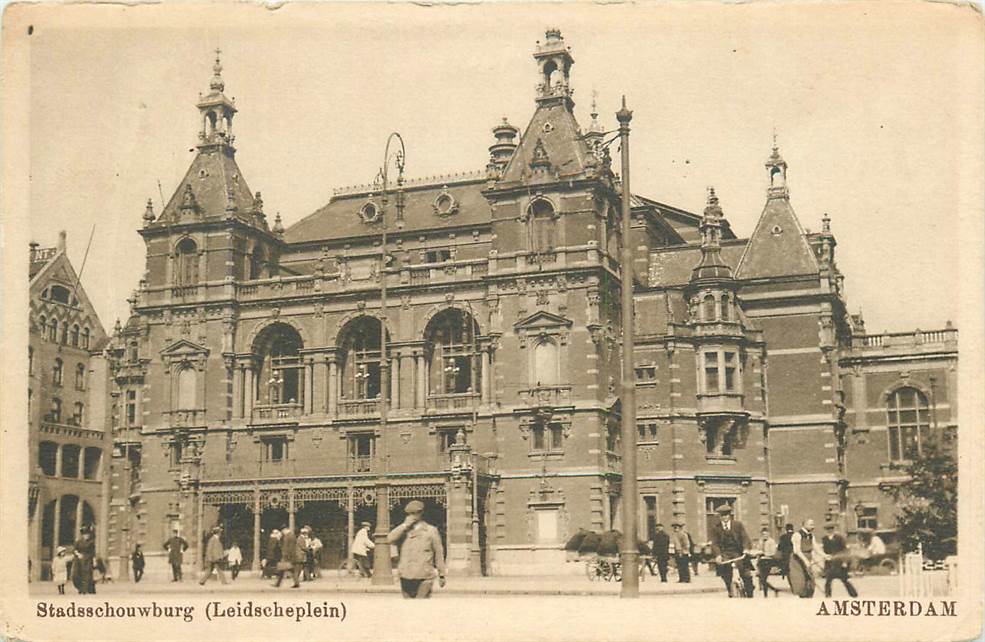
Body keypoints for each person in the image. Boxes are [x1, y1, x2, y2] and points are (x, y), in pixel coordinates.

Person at [387, 500, 447, 599]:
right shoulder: (404, 530)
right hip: (405, 575)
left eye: (415, 513)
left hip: (424, 575)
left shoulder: (431, 530)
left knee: (421, 608)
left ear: (421, 513)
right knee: (408, 608)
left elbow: (439, 553)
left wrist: (441, 574)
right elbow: (390, 539)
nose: (412, 516)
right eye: (409, 514)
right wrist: (404, 525)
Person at [708, 504, 754, 598]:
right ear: (719, 516)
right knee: (725, 573)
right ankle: (730, 589)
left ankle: (749, 593)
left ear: (730, 515)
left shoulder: (738, 525)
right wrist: (718, 555)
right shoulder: (715, 528)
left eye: (726, 515)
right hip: (725, 553)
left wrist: (746, 549)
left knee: (746, 574)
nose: (724, 517)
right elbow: (714, 543)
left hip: (738, 552)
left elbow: (745, 538)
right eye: (722, 515)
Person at [821, 523, 858, 598]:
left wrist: (844, 562)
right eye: (828, 529)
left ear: (834, 529)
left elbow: (845, 550)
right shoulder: (824, 539)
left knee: (844, 579)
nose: (830, 530)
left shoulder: (839, 538)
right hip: (829, 563)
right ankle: (828, 595)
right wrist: (825, 558)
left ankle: (853, 594)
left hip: (839, 563)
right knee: (828, 580)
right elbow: (825, 551)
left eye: (831, 529)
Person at [790, 518, 817, 598]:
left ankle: (809, 598)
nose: (813, 527)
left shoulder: (811, 535)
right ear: (804, 525)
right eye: (811, 524)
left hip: (807, 559)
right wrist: (806, 561)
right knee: (801, 582)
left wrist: (825, 555)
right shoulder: (797, 535)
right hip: (797, 561)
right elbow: (797, 551)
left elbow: (815, 547)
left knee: (811, 581)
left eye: (813, 524)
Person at [756, 527, 782, 597]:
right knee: (762, 579)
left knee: (763, 579)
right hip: (761, 561)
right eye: (763, 534)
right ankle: (773, 590)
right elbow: (758, 550)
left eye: (766, 534)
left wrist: (765, 553)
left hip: (768, 561)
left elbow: (773, 553)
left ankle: (766, 595)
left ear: (769, 534)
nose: (765, 536)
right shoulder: (760, 541)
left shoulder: (771, 541)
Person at [275, 524, 301, 588]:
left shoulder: (289, 536)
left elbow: (288, 547)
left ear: (284, 530)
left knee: (286, 569)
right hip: (289, 555)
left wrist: (286, 555)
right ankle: (278, 583)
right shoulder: (290, 535)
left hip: (288, 556)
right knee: (287, 570)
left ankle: (278, 583)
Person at [72, 526, 96, 594]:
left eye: (88, 534)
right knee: (76, 574)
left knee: (87, 575)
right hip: (79, 560)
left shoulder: (91, 542)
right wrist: (78, 554)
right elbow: (74, 550)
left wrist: (94, 560)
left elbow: (93, 552)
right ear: (82, 535)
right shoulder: (78, 542)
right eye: (85, 534)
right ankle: (79, 587)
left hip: (88, 560)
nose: (86, 536)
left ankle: (84, 590)